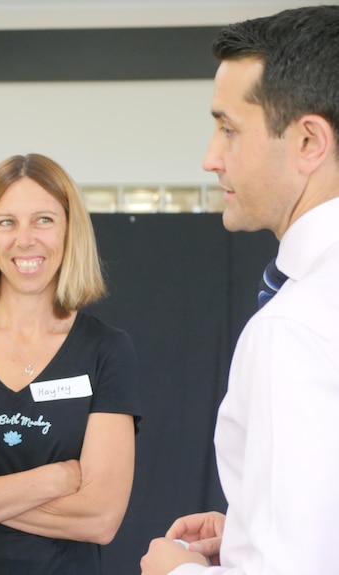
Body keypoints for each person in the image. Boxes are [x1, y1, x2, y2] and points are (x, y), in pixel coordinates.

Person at [140, 6, 339, 575]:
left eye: (228, 128)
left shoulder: (294, 327)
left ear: (308, 142)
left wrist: (173, 572)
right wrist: (254, 525)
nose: (211, 157)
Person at [0, 153, 141, 574]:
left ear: (70, 230)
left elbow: (101, 517)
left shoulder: (106, 350)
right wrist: (50, 481)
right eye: (6, 222)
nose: (25, 239)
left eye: (44, 220)